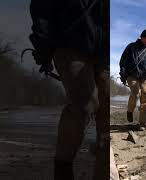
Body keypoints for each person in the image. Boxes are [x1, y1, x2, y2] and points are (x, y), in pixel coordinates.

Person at [29, 0, 110, 179]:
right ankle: (63, 170)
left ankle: (104, 170)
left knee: (107, 110)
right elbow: (42, 9)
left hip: (105, 51)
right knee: (84, 105)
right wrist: (43, 49)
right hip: (69, 43)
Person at [119, 29, 146, 131]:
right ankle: (130, 111)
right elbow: (123, 61)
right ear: (141, 37)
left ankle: (142, 122)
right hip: (132, 75)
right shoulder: (131, 47)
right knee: (136, 93)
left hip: (144, 77)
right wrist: (123, 75)